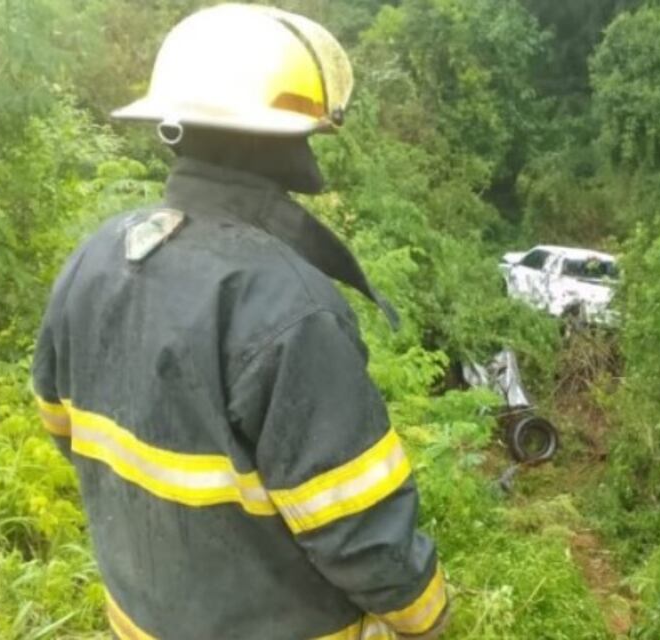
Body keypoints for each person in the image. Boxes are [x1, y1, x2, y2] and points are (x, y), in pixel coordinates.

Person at [31, 5, 447, 639]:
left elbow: (63, 429)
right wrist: (427, 617)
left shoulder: (98, 256)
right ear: (285, 143)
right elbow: (359, 530)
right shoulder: (288, 305)